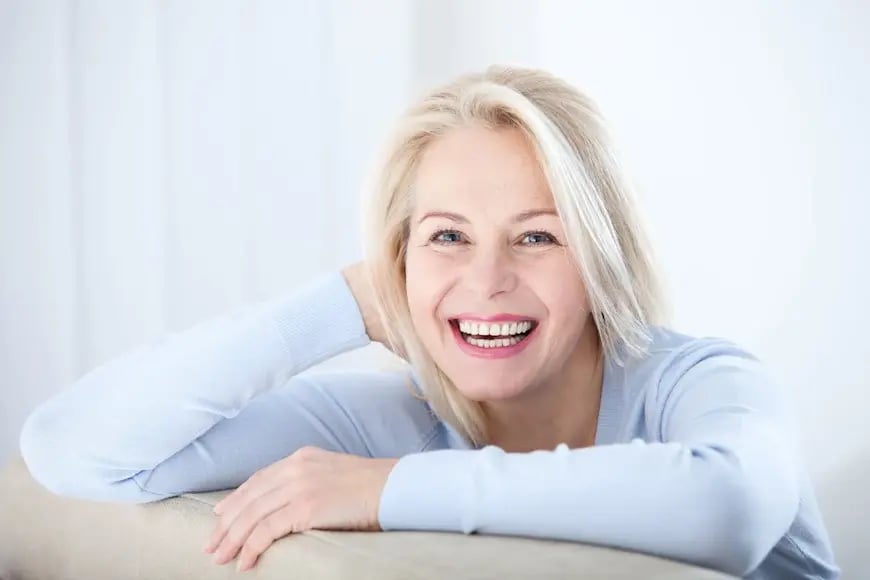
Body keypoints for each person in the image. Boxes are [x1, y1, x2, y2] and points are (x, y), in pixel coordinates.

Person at [19, 65, 838, 579]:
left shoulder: (700, 380)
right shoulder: (386, 416)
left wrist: (385, 491)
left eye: (537, 236)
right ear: (398, 256)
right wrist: (338, 306)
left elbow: (727, 511)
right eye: (447, 236)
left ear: (601, 257)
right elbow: (74, 452)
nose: (487, 281)